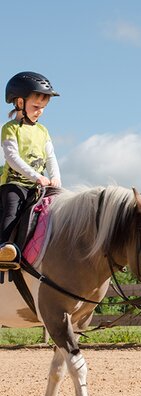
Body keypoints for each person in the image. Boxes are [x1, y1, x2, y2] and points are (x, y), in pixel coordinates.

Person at [0, 71, 61, 262]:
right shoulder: (10, 128)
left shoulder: (43, 131)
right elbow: (12, 158)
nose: (40, 111)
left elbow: (51, 157)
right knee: (12, 210)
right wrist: (36, 176)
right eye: (36, 106)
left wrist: (56, 178)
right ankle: (4, 250)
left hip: (38, 186)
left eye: (43, 107)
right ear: (19, 103)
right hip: (14, 184)